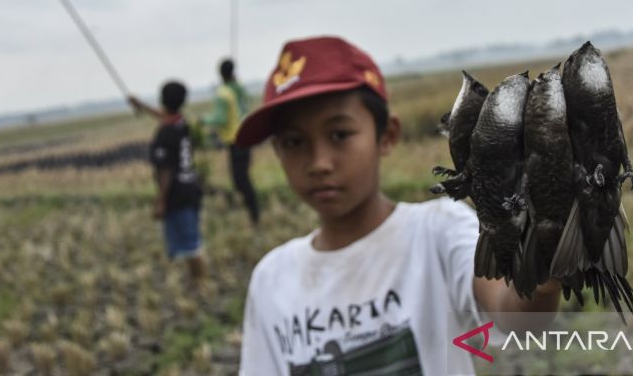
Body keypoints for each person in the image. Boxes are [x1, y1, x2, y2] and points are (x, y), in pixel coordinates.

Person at [235, 36, 563, 375]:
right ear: (277, 151)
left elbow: (515, 313)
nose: (319, 162)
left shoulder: (437, 232)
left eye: (339, 135)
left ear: (387, 135)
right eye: (294, 142)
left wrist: (539, 269)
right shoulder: (271, 280)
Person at [128, 82, 206, 288]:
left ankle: (199, 283)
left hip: (177, 194)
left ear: (162, 100)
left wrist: (161, 200)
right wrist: (141, 106)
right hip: (191, 188)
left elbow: (165, 170)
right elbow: (164, 117)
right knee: (190, 240)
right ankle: (195, 281)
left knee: (190, 245)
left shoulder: (165, 133)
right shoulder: (182, 123)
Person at [201, 59, 260, 226]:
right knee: (243, 179)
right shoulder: (239, 89)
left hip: (235, 140)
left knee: (240, 181)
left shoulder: (223, 94)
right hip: (245, 136)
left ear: (220, 74)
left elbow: (220, 118)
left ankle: (253, 215)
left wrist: (203, 120)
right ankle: (251, 213)